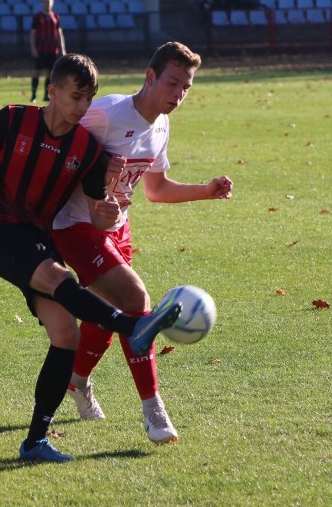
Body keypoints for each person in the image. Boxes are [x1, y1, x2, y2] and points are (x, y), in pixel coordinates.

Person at [0, 53, 182, 462]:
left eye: (87, 99)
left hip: (41, 240)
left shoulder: (87, 147)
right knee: (62, 282)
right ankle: (133, 325)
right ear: (53, 91)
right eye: (75, 97)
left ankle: (35, 441)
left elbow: (97, 208)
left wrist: (107, 209)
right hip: (0, 233)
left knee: (66, 335)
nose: (81, 107)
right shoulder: (11, 119)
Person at [51, 42, 233, 444]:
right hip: (74, 224)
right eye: (172, 82)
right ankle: (154, 410)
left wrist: (206, 190)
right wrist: (96, 174)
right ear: (150, 77)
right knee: (136, 300)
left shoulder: (162, 125)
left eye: (186, 86)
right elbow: (57, 139)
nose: (178, 94)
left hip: (117, 228)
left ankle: (77, 382)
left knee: (109, 312)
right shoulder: (109, 111)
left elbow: (156, 189)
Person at [29, 0, 66, 103]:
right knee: (36, 72)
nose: (47, 4)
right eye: (44, 2)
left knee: (50, 74)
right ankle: (34, 95)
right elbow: (32, 34)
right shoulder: (37, 17)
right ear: (41, 3)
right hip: (41, 49)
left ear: (52, 2)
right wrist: (33, 48)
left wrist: (62, 48)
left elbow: (59, 34)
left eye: (48, 1)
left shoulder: (56, 17)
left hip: (52, 50)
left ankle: (46, 95)